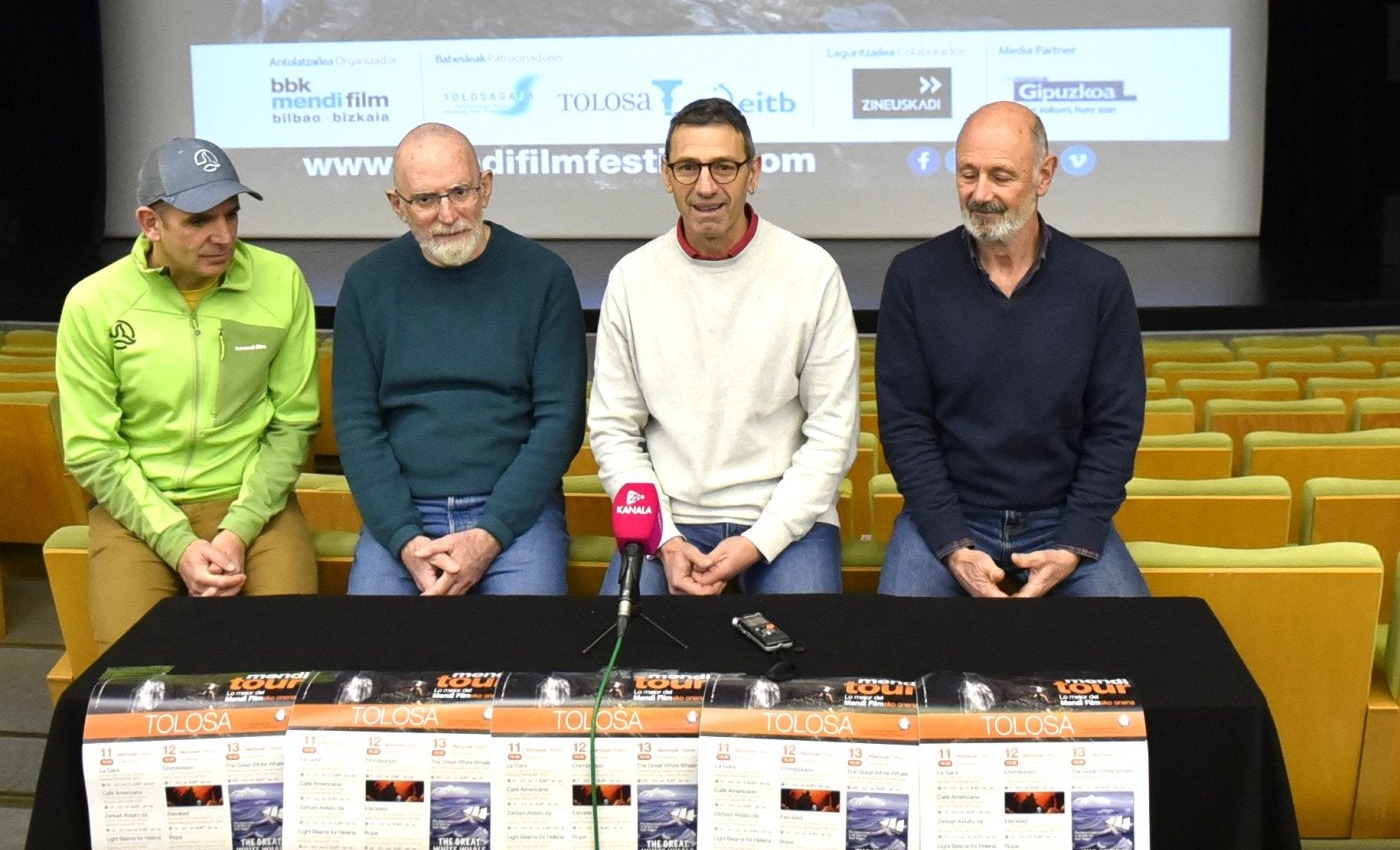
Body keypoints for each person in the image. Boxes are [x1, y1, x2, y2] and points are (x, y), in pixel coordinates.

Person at [875, 100, 1149, 598]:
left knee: (1133, 655)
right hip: (947, 517)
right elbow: (905, 424)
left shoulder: (1100, 281)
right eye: (967, 174)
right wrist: (951, 542)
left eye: (1001, 176)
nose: (981, 194)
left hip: (1062, 518)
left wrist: (1074, 541)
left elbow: (1115, 427)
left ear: (1044, 176)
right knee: (899, 655)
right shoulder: (914, 277)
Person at [589, 97, 859, 596]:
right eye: (688, 168)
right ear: (666, 176)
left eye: (724, 167)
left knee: (805, 664)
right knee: (622, 666)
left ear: (753, 174)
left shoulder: (812, 273)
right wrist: (664, 539)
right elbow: (614, 431)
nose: (706, 186)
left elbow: (833, 436)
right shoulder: (632, 278)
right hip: (669, 522)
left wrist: (761, 539)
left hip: (788, 521)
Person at [55, 137, 319, 647]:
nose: (223, 235)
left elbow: (293, 423)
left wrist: (239, 530)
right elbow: (92, 449)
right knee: (137, 679)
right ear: (150, 224)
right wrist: (176, 542)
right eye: (199, 220)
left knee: (287, 659)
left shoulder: (281, 281)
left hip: (253, 504)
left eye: (231, 215)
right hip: (138, 509)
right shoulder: (93, 303)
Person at [333, 122, 585, 596]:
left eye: (460, 192)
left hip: (516, 513)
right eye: (426, 200)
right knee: (370, 654)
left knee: (527, 654)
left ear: (485, 187)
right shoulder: (367, 284)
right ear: (397, 206)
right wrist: (404, 538)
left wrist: (491, 534)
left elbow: (561, 421)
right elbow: (356, 425)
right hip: (404, 513)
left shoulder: (544, 277)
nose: (447, 214)